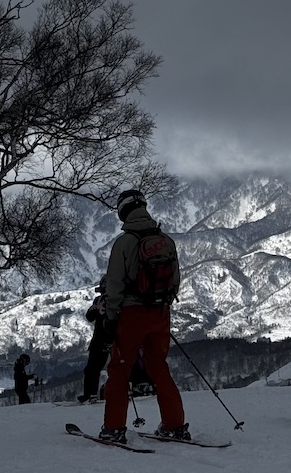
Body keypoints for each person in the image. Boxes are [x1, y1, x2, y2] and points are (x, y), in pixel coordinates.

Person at [99, 189, 187, 443]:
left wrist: (111, 318)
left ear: (123, 212)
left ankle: (113, 429)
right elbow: (176, 280)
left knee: (119, 369)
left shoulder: (124, 243)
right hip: (160, 312)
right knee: (159, 367)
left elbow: (114, 285)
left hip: (130, 314)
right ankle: (174, 424)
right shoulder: (166, 240)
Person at [78, 278, 113, 402]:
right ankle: (90, 393)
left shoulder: (113, 299)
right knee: (91, 369)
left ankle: (91, 393)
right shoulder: (99, 300)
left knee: (98, 368)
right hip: (100, 338)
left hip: (107, 338)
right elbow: (90, 317)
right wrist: (95, 309)